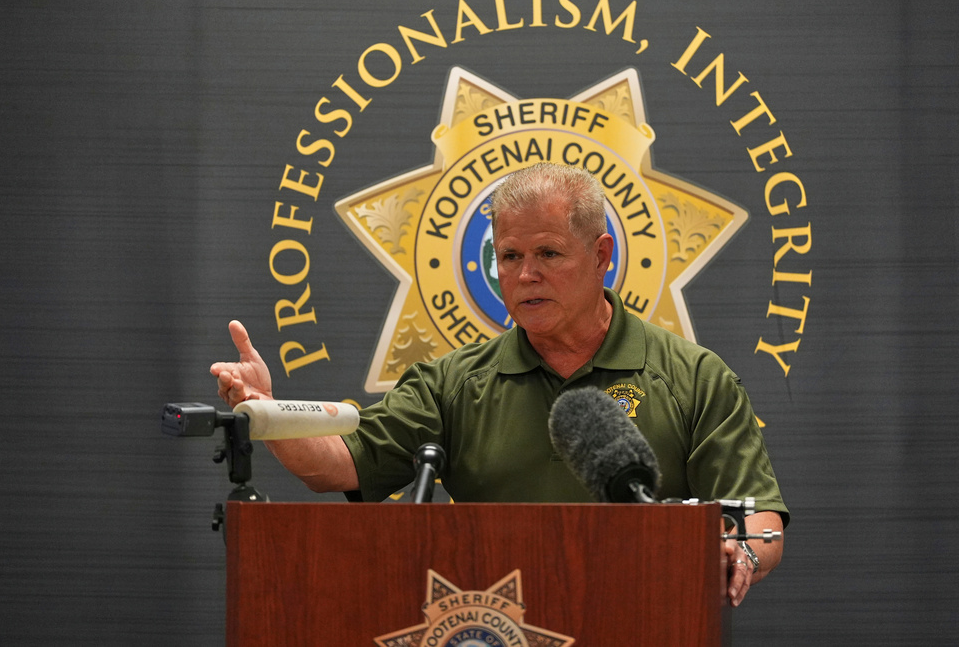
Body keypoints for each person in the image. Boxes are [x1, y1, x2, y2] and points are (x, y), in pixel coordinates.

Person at [211, 162, 787, 606]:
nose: (525, 274)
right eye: (508, 256)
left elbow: (759, 522)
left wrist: (739, 553)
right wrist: (267, 413)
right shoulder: (453, 384)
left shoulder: (694, 378)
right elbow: (337, 465)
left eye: (548, 253)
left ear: (601, 256)